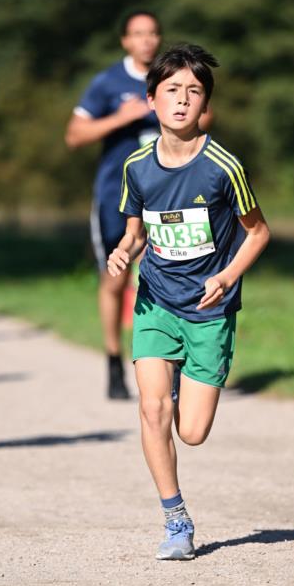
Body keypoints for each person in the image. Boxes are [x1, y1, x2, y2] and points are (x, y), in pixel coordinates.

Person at [108, 44, 270, 560]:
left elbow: (259, 233)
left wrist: (227, 275)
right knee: (152, 410)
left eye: (193, 92)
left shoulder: (223, 166)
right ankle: (176, 520)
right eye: (172, 91)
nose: (182, 101)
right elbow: (135, 235)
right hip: (154, 299)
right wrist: (121, 251)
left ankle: (179, 383)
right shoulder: (136, 167)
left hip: (209, 310)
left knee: (193, 432)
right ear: (151, 99)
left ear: (205, 106)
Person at [65, 11, 163, 399]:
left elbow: (206, 115)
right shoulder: (108, 83)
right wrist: (119, 119)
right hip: (116, 197)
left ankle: (159, 363)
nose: (146, 41)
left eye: (152, 33)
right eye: (138, 34)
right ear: (125, 41)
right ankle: (113, 361)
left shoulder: (171, 76)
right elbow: (74, 135)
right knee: (115, 278)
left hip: (166, 195)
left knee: (160, 275)